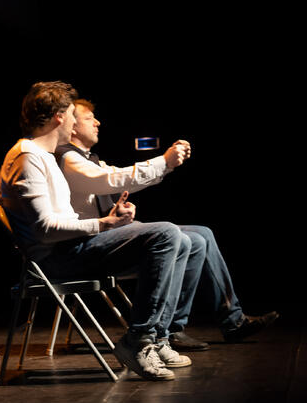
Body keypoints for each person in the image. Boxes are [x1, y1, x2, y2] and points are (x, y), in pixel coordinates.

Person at [0, 81, 194, 381]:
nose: (78, 121)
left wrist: (111, 219)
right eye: (74, 114)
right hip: (56, 260)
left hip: (72, 248)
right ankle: (139, 340)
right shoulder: (28, 157)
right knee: (165, 234)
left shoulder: (43, 156)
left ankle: (155, 338)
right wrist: (103, 225)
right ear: (59, 117)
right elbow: (46, 230)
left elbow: (62, 219)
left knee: (179, 239)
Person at [55, 98, 279, 351]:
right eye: (88, 118)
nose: (97, 122)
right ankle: (167, 329)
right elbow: (112, 179)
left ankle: (223, 321)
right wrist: (164, 161)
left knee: (201, 234)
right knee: (181, 237)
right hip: (88, 247)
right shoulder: (66, 158)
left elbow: (117, 181)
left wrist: (122, 208)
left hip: (108, 235)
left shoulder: (88, 159)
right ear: (72, 125)